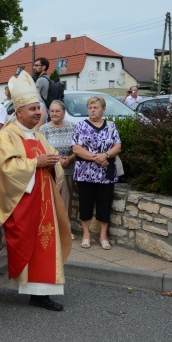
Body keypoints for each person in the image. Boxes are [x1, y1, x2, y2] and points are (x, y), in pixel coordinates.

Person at [0, 70, 72, 312]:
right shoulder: (8, 135)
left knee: (44, 244)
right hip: (20, 200)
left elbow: (50, 162)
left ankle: (40, 294)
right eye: (32, 109)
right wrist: (35, 163)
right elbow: (6, 167)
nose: (37, 112)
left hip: (44, 201)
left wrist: (55, 164)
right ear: (19, 111)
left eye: (38, 108)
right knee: (18, 244)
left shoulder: (38, 135)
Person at [71, 96, 122, 250]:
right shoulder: (80, 126)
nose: (92, 110)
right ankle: (86, 234)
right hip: (85, 173)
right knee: (85, 204)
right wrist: (97, 157)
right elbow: (76, 148)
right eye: (90, 107)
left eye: (96, 107)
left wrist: (105, 155)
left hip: (106, 174)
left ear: (103, 109)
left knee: (104, 205)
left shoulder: (111, 126)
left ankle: (103, 236)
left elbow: (117, 146)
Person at [39, 100, 76, 239]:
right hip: (52, 170)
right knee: (52, 200)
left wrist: (70, 158)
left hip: (69, 169)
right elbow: (43, 149)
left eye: (57, 111)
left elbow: (78, 145)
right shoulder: (44, 129)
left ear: (64, 113)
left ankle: (66, 230)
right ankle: (52, 229)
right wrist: (59, 160)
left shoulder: (72, 127)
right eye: (52, 111)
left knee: (66, 200)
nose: (54, 114)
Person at [33, 57, 49, 129]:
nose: (34, 67)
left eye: (36, 65)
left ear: (43, 67)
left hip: (42, 110)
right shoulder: (48, 79)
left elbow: (35, 96)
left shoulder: (40, 80)